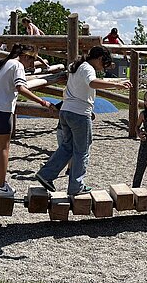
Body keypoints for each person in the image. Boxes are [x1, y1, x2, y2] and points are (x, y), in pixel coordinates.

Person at [35, 46, 131, 196]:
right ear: (99, 59)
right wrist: (116, 84)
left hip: (66, 111)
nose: (102, 68)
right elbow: (92, 83)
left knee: (67, 147)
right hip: (79, 114)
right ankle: (76, 186)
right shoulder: (88, 68)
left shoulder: (76, 66)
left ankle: (46, 174)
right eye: (103, 64)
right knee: (82, 150)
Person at [0, 44, 57, 198]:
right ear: (25, 56)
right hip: (2, 111)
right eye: (32, 60)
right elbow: (21, 88)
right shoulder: (17, 66)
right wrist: (43, 102)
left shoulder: (1, 65)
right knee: (4, 149)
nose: (31, 64)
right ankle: (1, 185)